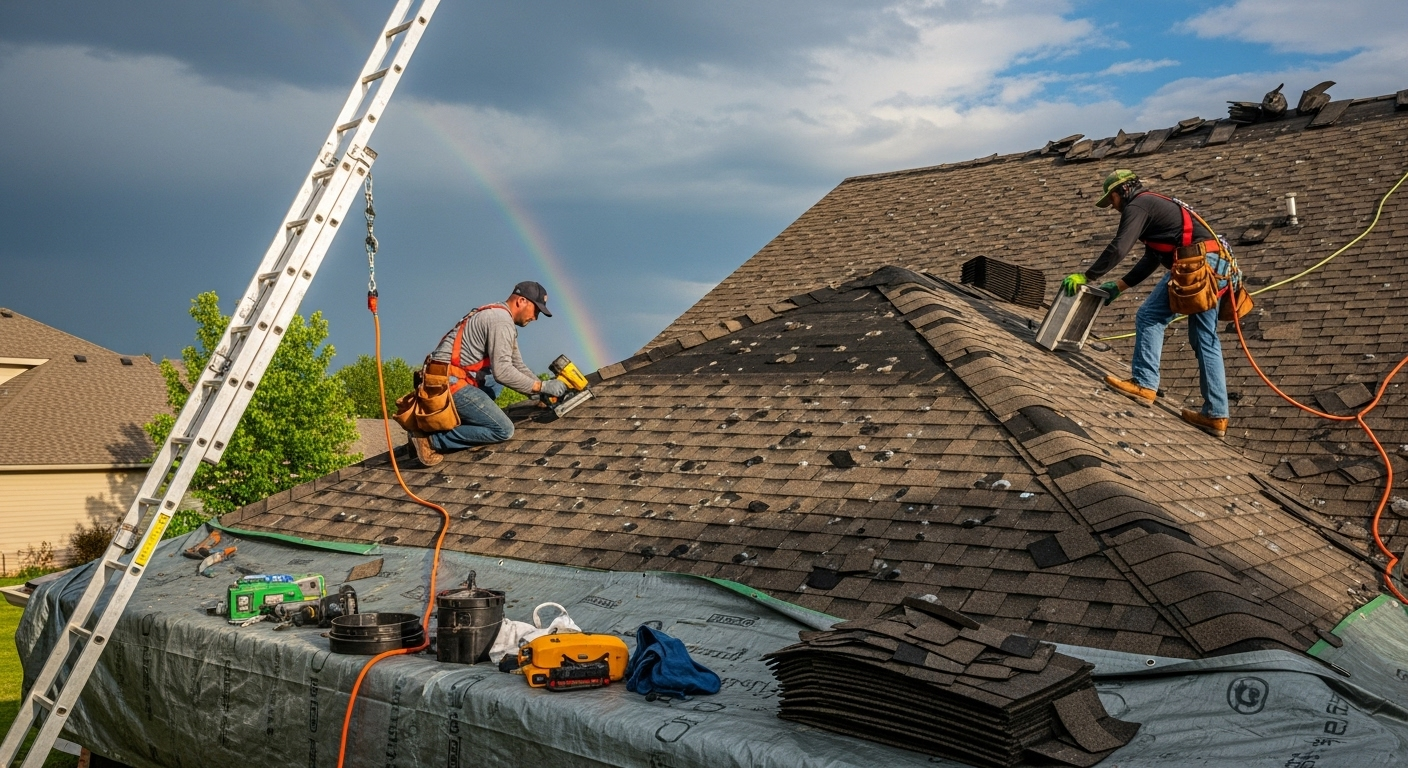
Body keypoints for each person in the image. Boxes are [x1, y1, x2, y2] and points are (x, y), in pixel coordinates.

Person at [1061, 169, 1230, 438]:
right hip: (1217, 265)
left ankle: (1144, 383)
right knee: (1205, 338)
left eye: (1112, 199)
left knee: (1150, 316)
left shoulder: (1138, 204)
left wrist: (1089, 275)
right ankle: (1216, 415)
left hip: (1197, 264)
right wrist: (1119, 286)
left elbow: (1119, 247)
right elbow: (1152, 258)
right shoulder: (1155, 208)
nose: (1113, 207)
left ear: (1124, 191)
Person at [406, 281, 568, 466]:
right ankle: (430, 440)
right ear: (522, 301)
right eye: (536, 311)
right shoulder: (500, 322)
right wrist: (542, 386)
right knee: (503, 429)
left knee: (495, 381)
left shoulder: (499, 315)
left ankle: (465, 419)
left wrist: (541, 392)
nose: (536, 318)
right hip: (445, 384)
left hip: (448, 378)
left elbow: (516, 365)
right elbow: (503, 372)